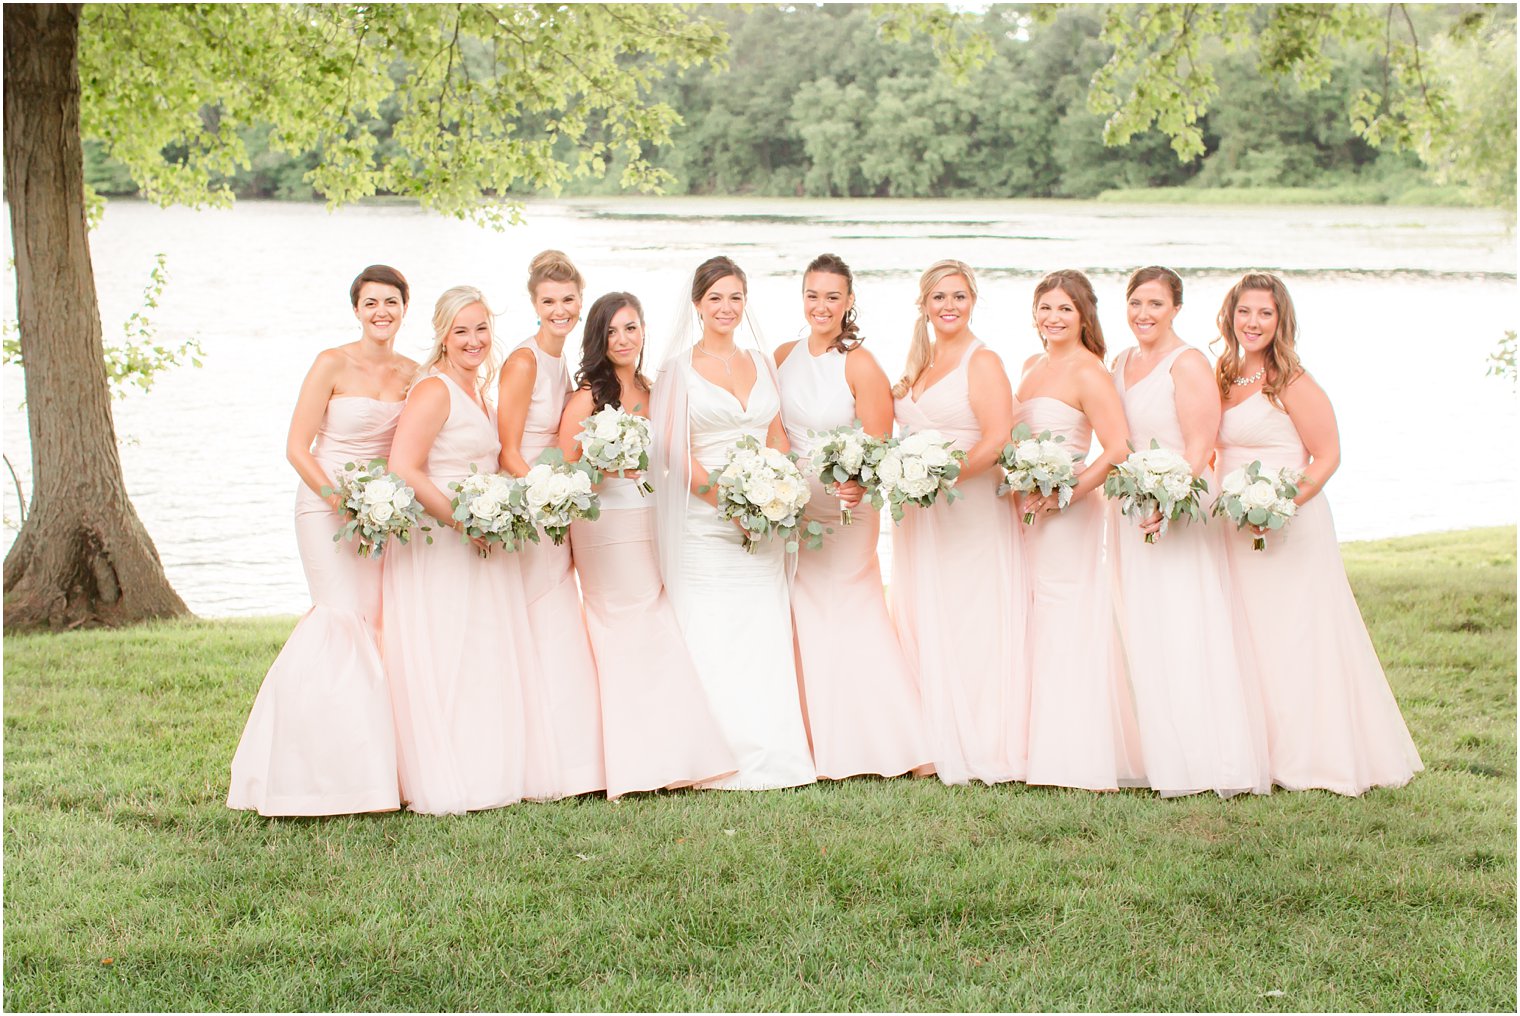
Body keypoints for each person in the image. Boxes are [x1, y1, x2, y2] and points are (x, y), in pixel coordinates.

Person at [1213, 272, 1422, 795]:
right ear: (1230, 316)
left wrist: (1276, 507)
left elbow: (1326, 456)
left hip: (1287, 525)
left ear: (1281, 320)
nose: (1253, 322)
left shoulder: (1294, 382)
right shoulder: (1222, 374)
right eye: (1245, 312)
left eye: (1265, 313)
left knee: (1297, 634)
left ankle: (1314, 756)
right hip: (1233, 527)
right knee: (1248, 636)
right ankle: (1255, 751)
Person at [228, 265, 416, 817]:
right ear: (356, 309)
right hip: (325, 505)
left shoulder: (413, 372)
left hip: (383, 513)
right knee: (338, 620)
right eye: (370, 302)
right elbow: (297, 447)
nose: (381, 311)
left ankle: (371, 773)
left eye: (391, 302)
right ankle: (306, 773)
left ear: (405, 307)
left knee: (378, 628)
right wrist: (342, 501)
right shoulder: (332, 362)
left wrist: (384, 505)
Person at [557, 291, 738, 798]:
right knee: (620, 628)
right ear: (598, 338)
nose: (623, 339)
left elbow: (671, 456)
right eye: (612, 331)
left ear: (643, 332)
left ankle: (670, 752)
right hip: (602, 526)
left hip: (648, 517)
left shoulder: (655, 390)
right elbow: (561, 468)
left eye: (631, 328)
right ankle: (631, 761)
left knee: (655, 622)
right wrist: (604, 467)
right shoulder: (588, 396)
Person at [382, 285, 551, 814]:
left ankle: (484, 767)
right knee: (449, 650)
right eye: (461, 331)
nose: (474, 340)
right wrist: (462, 520)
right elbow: (403, 469)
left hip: (483, 533)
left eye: (481, 329)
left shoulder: (480, 391)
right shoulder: (433, 390)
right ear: (442, 335)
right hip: (445, 540)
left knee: (482, 650)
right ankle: (448, 774)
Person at [649, 255, 816, 791]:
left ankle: (775, 755)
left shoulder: (763, 363)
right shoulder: (676, 370)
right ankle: (712, 757)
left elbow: (777, 435)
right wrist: (732, 505)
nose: (726, 307)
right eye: (716, 297)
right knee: (713, 632)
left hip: (762, 519)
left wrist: (776, 496)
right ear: (697, 304)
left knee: (761, 631)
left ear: (746, 303)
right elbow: (675, 453)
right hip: (706, 522)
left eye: (736, 297)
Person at [1109, 265, 1270, 798]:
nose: (1143, 314)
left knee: (1184, 624)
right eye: (1136, 303)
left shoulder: (1189, 362)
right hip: (1133, 505)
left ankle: (1207, 761)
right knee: (1145, 626)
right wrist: (1139, 496)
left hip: (1179, 506)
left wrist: (1170, 500)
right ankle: (1161, 757)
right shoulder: (1120, 361)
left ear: (1176, 308)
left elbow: (1202, 448)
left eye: (1155, 304)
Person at [774, 253, 929, 781]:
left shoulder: (860, 363)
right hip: (793, 507)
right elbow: (774, 433)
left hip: (845, 509)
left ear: (849, 302)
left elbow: (880, 443)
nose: (821, 306)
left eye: (832, 296)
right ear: (802, 297)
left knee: (850, 608)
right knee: (804, 613)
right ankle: (817, 739)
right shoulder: (781, 355)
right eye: (813, 295)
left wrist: (856, 482)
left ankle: (885, 741)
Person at [890, 259, 1031, 786]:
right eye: (939, 298)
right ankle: (930, 738)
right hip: (922, 518)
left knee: (973, 617)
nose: (949, 306)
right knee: (929, 611)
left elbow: (996, 440)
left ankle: (983, 742)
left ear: (973, 301)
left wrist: (939, 479)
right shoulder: (916, 365)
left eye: (959, 297)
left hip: (969, 511)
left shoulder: (984, 360)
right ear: (924, 305)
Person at [1014, 270, 1145, 791]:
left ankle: (1073, 756)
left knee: (1067, 619)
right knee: (1036, 618)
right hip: (1029, 509)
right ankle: (1035, 746)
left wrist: (1064, 492)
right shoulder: (1030, 365)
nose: (1053, 317)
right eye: (1045, 307)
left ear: (1084, 315)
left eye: (1065, 309)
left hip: (1069, 512)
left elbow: (1116, 450)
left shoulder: (1090, 372)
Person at [497, 250, 606, 798]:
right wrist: (549, 495)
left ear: (580, 301)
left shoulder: (560, 359)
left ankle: (570, 756)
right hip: (535, 504)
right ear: (533, 304)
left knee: (560, 617)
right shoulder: (522, 361)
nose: (560, 310)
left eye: (568, 300)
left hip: (556, 501)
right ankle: (543, 756)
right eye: (549, 302)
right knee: (545, 617)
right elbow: (508, 449)